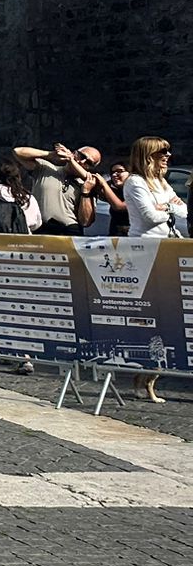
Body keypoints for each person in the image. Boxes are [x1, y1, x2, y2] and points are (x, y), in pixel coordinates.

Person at [123, 137, 185, 402]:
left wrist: (167, 207)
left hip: (167, 249)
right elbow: (149, 217)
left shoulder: (161, 182)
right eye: (162, 152)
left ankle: (149, 378)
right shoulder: (135, 182)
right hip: (146, 253)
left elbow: (184, 211)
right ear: (148, 155)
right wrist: (171, 208)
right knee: (154, 318)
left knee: (169, 318)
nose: (168, 156)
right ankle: (142, 378)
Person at [15, 144, 96, 236]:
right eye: (82, 156)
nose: (82, 161)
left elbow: (86, 221)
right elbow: (18, 152)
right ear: (74, 153)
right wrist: (50, 154)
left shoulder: (89, 183)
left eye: (89, 163)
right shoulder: (46, 168)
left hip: (69, 231)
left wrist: (86, 193)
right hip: (41, 229)